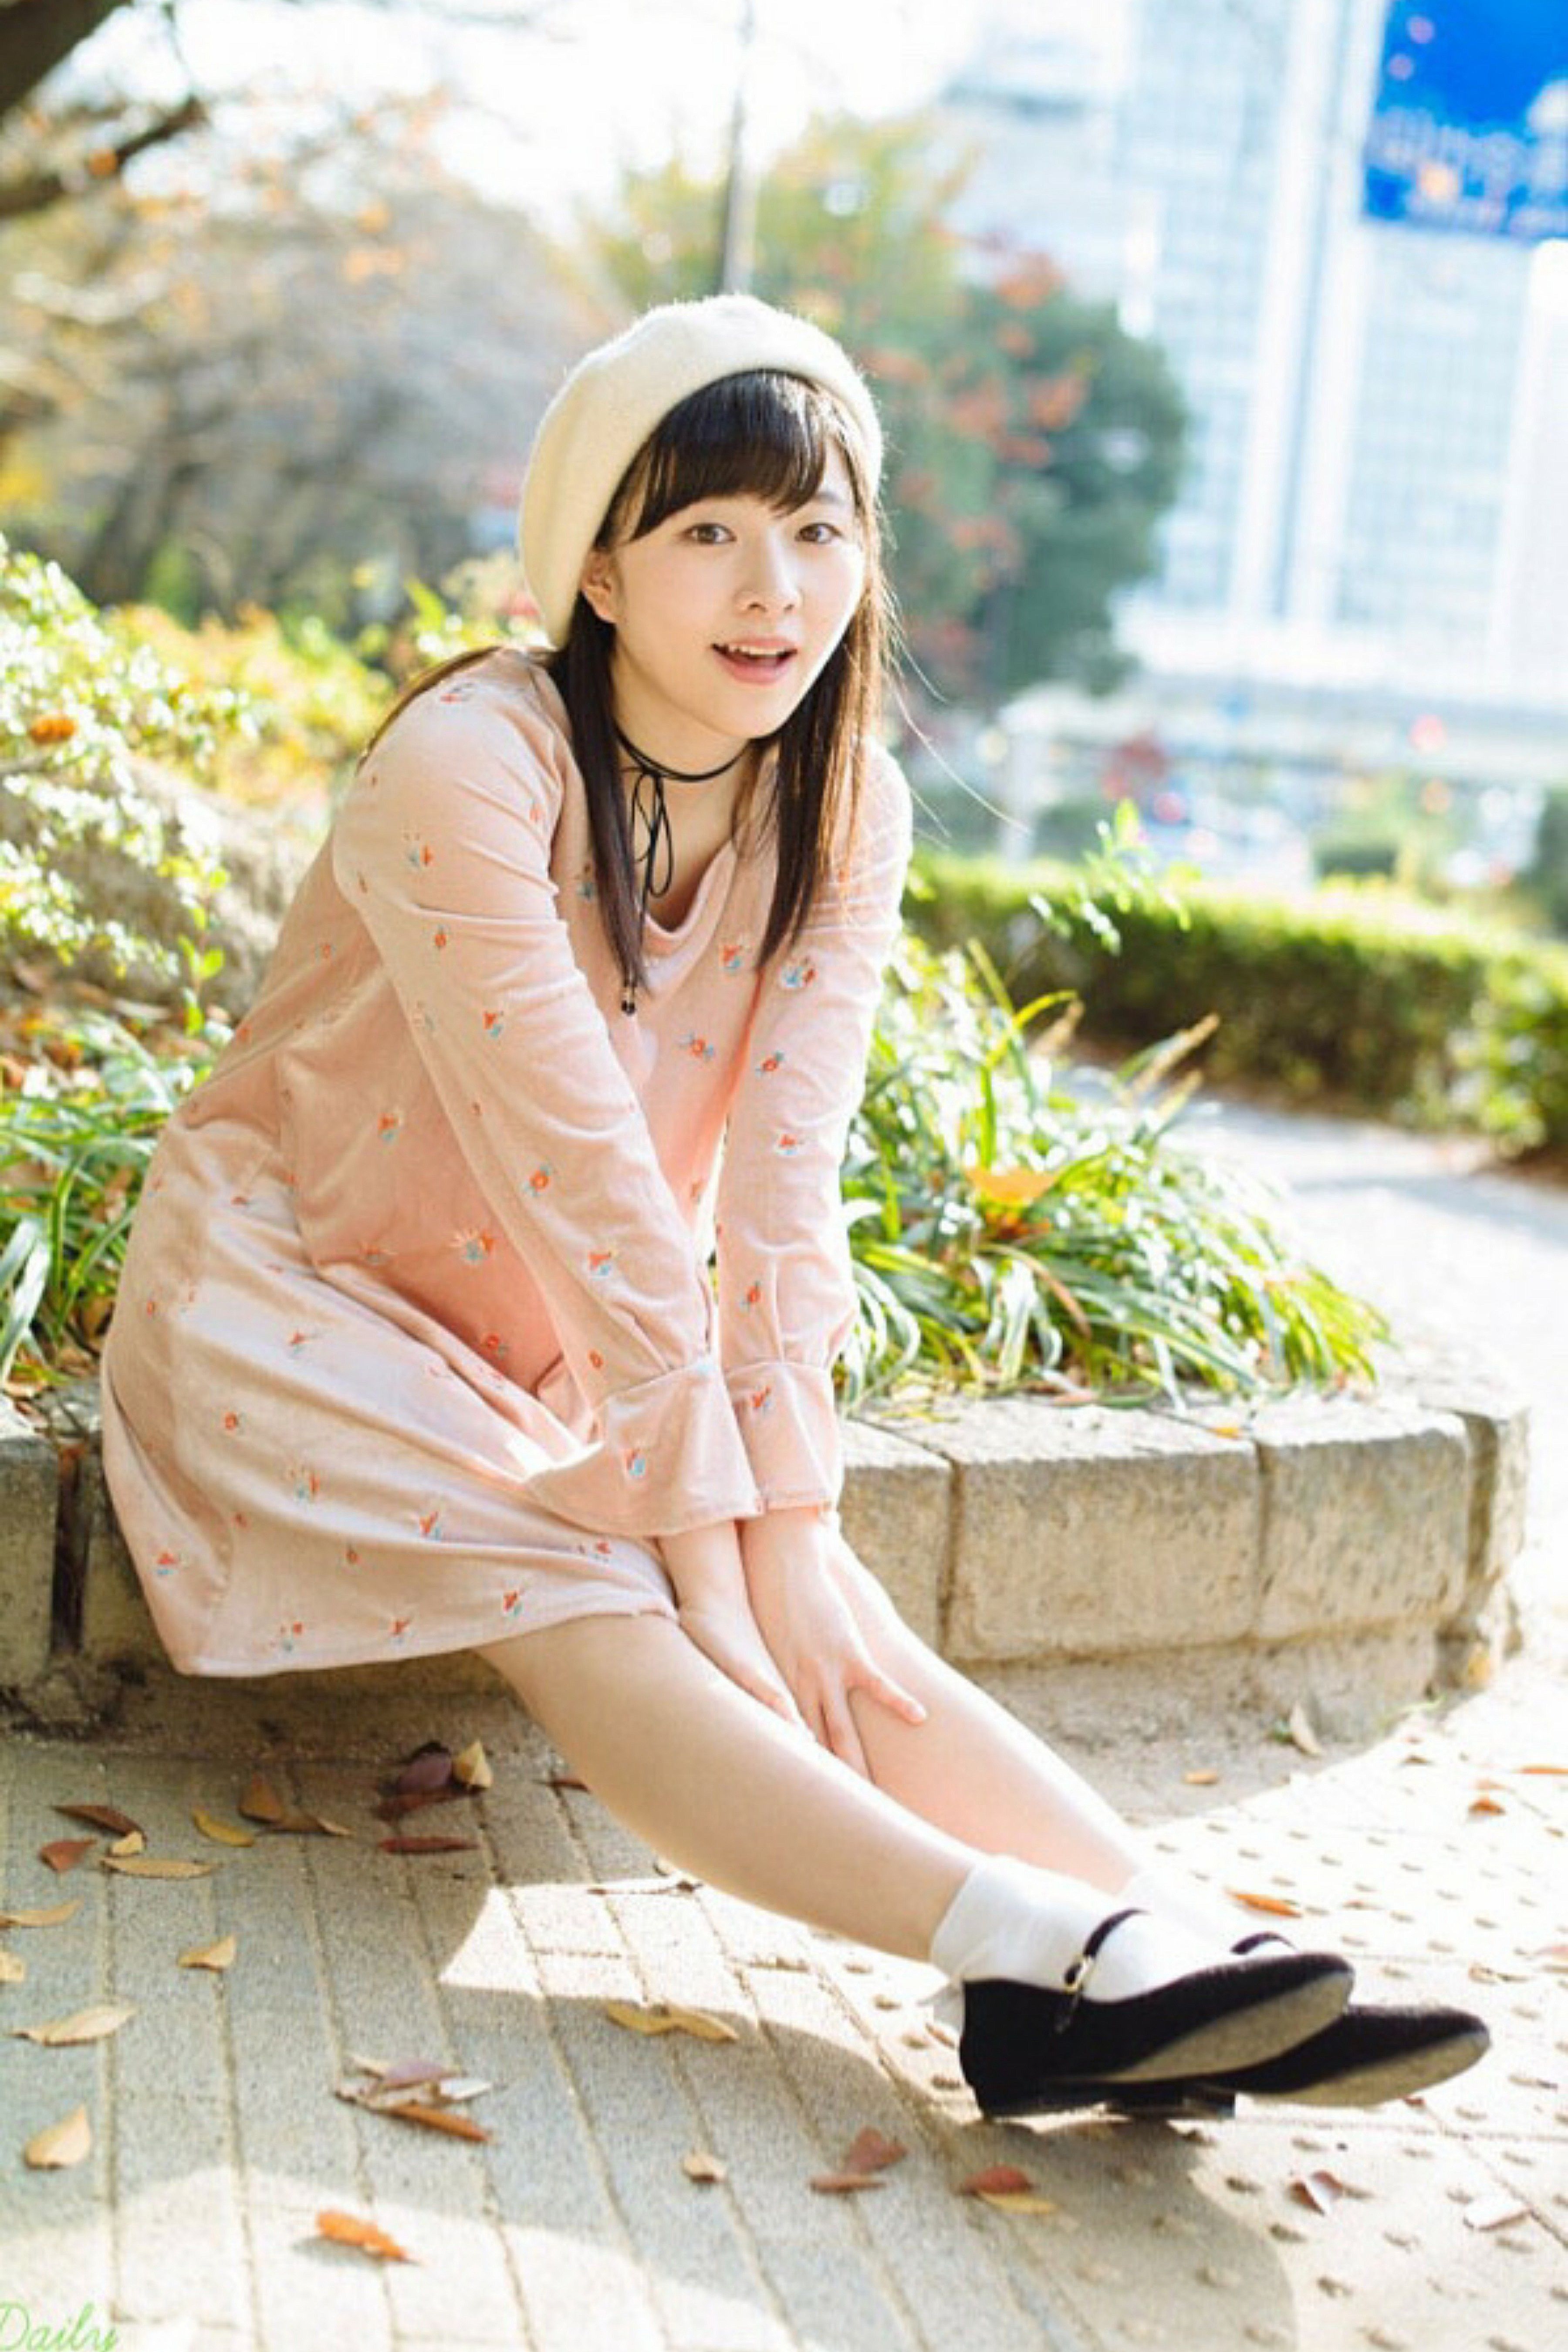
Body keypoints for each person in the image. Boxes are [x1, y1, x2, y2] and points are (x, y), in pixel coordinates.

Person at [98, 291, 1487, 2119]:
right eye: (709, 533)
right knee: (602, 1578)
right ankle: (1024, 1954)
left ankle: (1186, 1948)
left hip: (544, 1345)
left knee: (823, 1604)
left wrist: (787, 1523)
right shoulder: (474, 763)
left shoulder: (845, 804)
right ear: (599, 573)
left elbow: (780, 1187)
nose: (775, 591)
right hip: (295, 1300)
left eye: (820, 531)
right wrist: (700, 1531)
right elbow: (585, 1171)